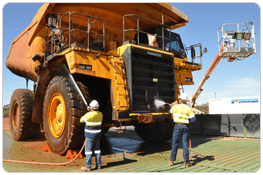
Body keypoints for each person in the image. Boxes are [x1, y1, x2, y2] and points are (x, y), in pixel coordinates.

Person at [169, 93, 196, 168]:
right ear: (186, 100)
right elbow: (193, 120)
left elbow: (169, 112)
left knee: (175, 143)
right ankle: (186, 163)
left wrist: (172, 105)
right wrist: (187, 123)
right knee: (185, 144)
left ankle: (171, 160)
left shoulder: (175, 107)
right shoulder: (188, 108)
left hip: (177, 127)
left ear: (180, 100)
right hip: (185, 127)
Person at [80, 100, 103, 171]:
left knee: (88, 151)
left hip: (90, 136)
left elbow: (81, 120)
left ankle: (88, 166)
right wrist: (91, 111)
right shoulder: (100, 114)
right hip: (98, 135)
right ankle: (99, 165)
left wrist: (89, 111)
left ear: (91, 107)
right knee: (97, 150)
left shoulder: (89, 115)